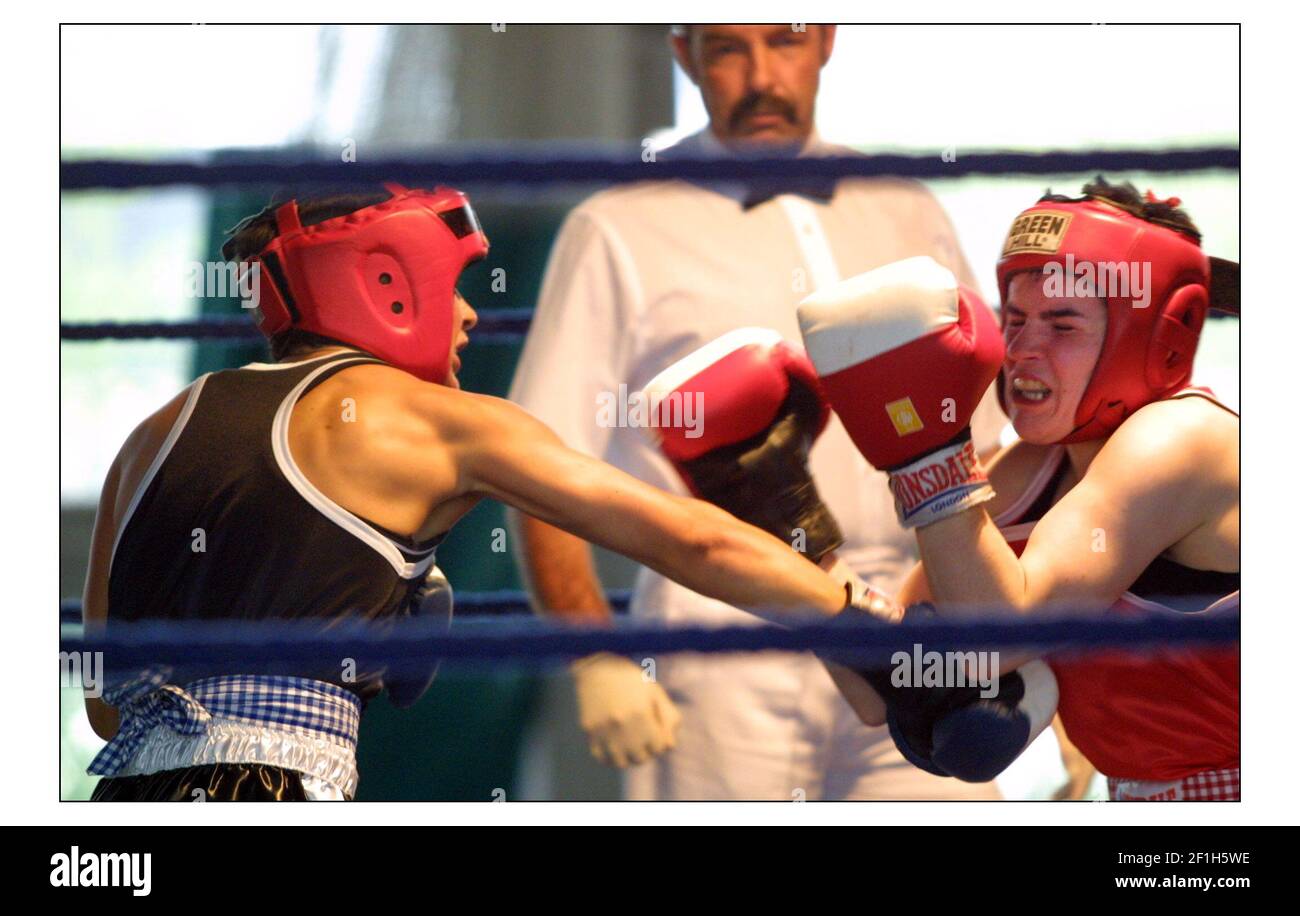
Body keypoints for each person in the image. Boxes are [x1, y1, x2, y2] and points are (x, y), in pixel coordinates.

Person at [80, 183, 873, 802]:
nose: (470, 315)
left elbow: (104, 707)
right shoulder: (439, 423)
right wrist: (874, 625)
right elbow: (690, 540)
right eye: (453, 286)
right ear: (386, 282)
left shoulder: (155, 430)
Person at [509, 23, 1004, 799]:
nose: (762, 76)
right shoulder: (618, 224)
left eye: (785, 42)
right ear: (685, 56)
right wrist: (594, 656)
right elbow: (541, 457)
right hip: (724, 622)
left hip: (919, 604)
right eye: (729, 49)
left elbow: (989, 438)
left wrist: (1046, 644)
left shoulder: (903, 202)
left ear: (829, 41)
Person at [794, 177, 1240, 800]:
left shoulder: (1183, 437)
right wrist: (792, 528)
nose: (1023, 350)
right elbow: (892, 675)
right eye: (1016, 318)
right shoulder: (1028, 470)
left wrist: (930, 455)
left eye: (1061, 325)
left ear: (1159, 336)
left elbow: (1004, 634)